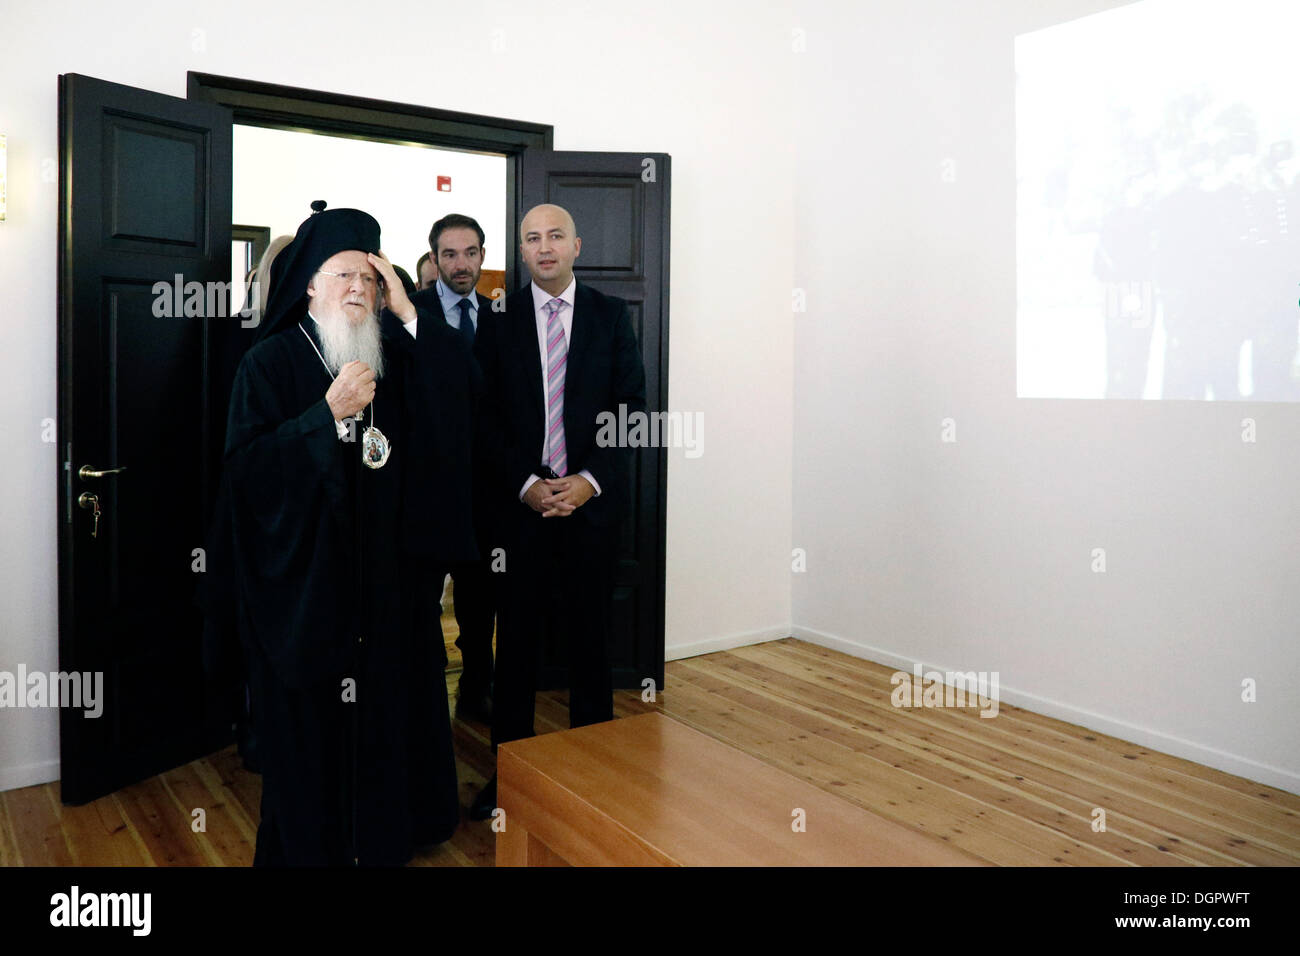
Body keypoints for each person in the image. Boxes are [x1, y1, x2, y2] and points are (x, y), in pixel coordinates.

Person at [215, 203, 461, 865]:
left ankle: (380, 842)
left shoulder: (396, 355)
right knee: (313, 740)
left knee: (383, 720)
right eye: (343, 274)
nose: (358, 287)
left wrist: (411, 313)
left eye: (370, 278)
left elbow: (458, 401)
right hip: (305, 592)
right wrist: (323, 417)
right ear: (309, 285)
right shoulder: (268, 364)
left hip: (386, 588)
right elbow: (246, 476)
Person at [469, 203, 646, 820]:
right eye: (531, 238)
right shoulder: (498, 319)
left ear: (577, 245)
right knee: (515, 648)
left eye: (554, 236)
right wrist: (525, 484)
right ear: (521, 252)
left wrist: (589, 482)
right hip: (521, 513)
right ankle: (510, 777)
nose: (543, 247)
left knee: (590, 646)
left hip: (588, 511)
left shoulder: (610, 316)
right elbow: (482, 416)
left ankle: (592, 773)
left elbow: (631, 409)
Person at [408, 213, 497, 723]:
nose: (461, 264)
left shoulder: (501, 316)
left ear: (483, 256)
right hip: (425, 485)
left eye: (470, 253)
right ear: (434, 258)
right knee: (422, 598)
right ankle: (421, 697)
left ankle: (477, 687)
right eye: (449, 254)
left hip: (485, 488)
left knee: (480, 598)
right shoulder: (407, 313)